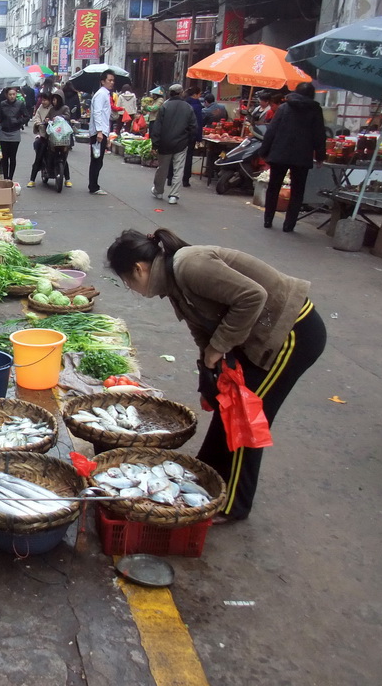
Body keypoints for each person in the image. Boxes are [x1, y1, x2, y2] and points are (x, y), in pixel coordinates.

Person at [106, 228, 326, 522]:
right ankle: (207, 473)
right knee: (228, 405)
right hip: (259, 336)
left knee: (247, 418)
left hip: (290, 334)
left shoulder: (189, 265)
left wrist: (218, 348)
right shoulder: (172, 282)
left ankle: (234, 504)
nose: (131, 288)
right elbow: (202, 329)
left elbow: (252, 297)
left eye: (127, 281)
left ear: (138, 269)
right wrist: (208, 369)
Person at [259, 81, 327, 232]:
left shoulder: (284, 108)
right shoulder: (316, 110)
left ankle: (268, 220)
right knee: (297, 191)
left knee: (273, 187)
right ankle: (289, 225)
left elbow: (271, 131)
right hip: (302, 156)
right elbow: (319, 135)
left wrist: (264, 151)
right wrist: (321, 156)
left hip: (280, 153)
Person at [151, 84, 198, 205]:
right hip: (181, 143)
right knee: (178, 170)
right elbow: (193, 126)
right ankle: (174, 195)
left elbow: (157, 127)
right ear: (181, 93)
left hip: (164, 143)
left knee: (162, 168)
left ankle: (158, 191)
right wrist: (189, 139)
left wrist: (155, 144)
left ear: (170, 93)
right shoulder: (188, 107)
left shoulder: (164, 106)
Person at [29, 92, 72, 187]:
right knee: (39, 156)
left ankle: (67, 179)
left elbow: (68, 116)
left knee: (64, 158)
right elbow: (45, 118)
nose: (54, 101)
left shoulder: (65, 108)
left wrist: (60, 118)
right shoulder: (51, 109)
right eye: (53, 99)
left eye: (55, 99)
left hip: (62, 138)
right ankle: (32, 179)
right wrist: (45, 121)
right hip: (49, 138)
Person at [0, 87, 29, 181]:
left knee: (12, 157)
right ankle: (5, 178)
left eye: (13, 94)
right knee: (5, 157)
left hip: (15, 133)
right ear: (6, 95)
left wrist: (18, 121)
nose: (12, 96)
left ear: (16, 94)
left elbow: (26, 116)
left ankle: (10, 178)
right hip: (4, 132)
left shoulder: (20, 104)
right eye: (10, 94)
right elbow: (0, 116)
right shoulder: (2, 104)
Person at [88, 69, 114, 195]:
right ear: (103, 81)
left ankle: (94, 184)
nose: (112, 82)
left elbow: (104, 115)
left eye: (113, 80)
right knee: (96, 159)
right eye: (109, 80)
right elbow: (97, 113)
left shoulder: (105, 94)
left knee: (98, 159)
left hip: (102, 131)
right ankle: (93, 186)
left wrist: (106, 134)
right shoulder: (101, 94)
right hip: (98, 132)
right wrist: (99, 132)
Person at [180, 86, 204, 187]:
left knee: (176, 155)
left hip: (180, 133)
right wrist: (199, 137)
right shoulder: (197, 106)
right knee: (188, 156)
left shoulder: (183, 103)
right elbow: (198, 123)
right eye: (199, 94)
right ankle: (185, 179)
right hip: (191, 134)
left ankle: (170, 177)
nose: (200, 96)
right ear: (195, 95)